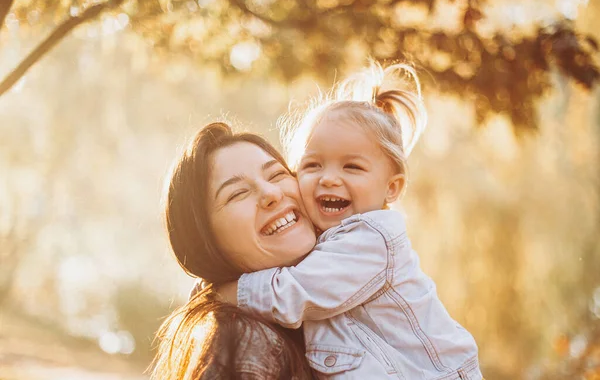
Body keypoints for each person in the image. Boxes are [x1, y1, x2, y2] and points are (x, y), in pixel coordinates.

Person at [218, 63, 483, 379]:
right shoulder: (325, 242)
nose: (329, 179)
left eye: (352, 168)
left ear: (392, 187)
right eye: (313, 165)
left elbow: (297, 292)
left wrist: (226, 293)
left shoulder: (373, 239)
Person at [151, 123, 317, 379]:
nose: (271, 193)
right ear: (205, 240)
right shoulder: (245, 342)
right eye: (238, 193)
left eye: (276, 175)